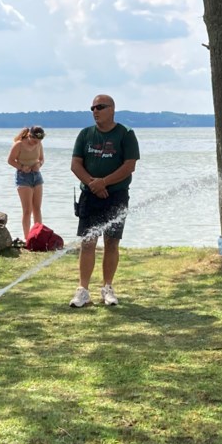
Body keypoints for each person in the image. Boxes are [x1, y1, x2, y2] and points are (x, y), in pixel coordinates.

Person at [70, 94, 139, 307]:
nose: (95, 111)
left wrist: (105, 182)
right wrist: (93, 184)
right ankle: (83, 290)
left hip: (116, 195)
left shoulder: (125, 134)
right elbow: (76, 165)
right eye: (92, 108)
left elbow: (129, 166)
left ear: (112, 109)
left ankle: (107, 288)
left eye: (100, 107)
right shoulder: (85, 134)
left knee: (111, 241)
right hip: (90, 196)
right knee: (88, 242)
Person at [6, 126, 45, 238]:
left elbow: (42, 159)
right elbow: (10, 160)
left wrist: (39, 165)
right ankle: (27, 238)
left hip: (37, 176)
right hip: (23, 177)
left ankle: (39, 236)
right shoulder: (19, 144)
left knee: (37, 208)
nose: (35, 143)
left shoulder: (39, 144)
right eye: (33, 141)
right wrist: (22, 167)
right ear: (29, 135)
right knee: (27, 210)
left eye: (38, 141)